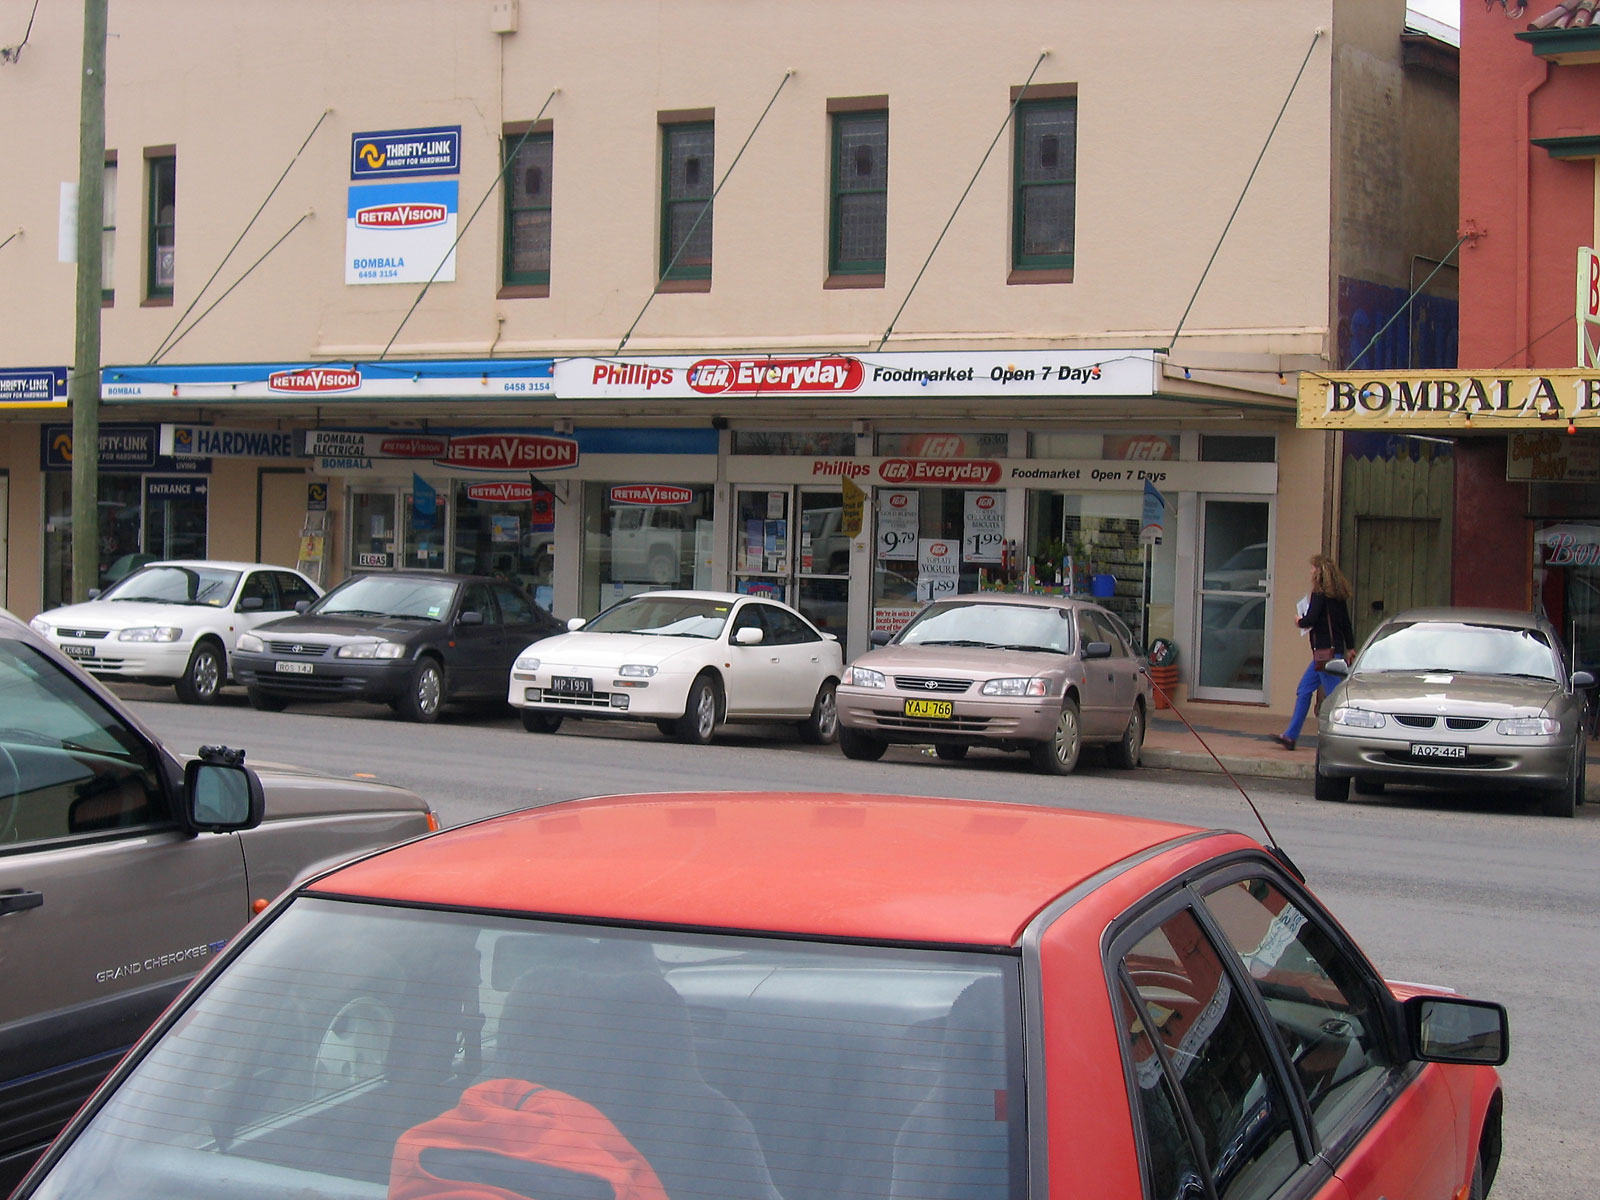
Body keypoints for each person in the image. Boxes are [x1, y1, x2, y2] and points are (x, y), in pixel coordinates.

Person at [1274, 554, 1355, 751]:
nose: (1311, 572)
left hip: (1323, 654)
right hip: (1331, 653)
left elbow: (1310, 619)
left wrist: (1298, 621)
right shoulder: (1338, 597)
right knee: (1304, 690)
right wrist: (1351, 647)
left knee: (1338, 698)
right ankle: (1290, 736)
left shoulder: (1319, 595)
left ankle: (1350, 735)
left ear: (1319, 572)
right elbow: (1346, 624)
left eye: (1313, 569)